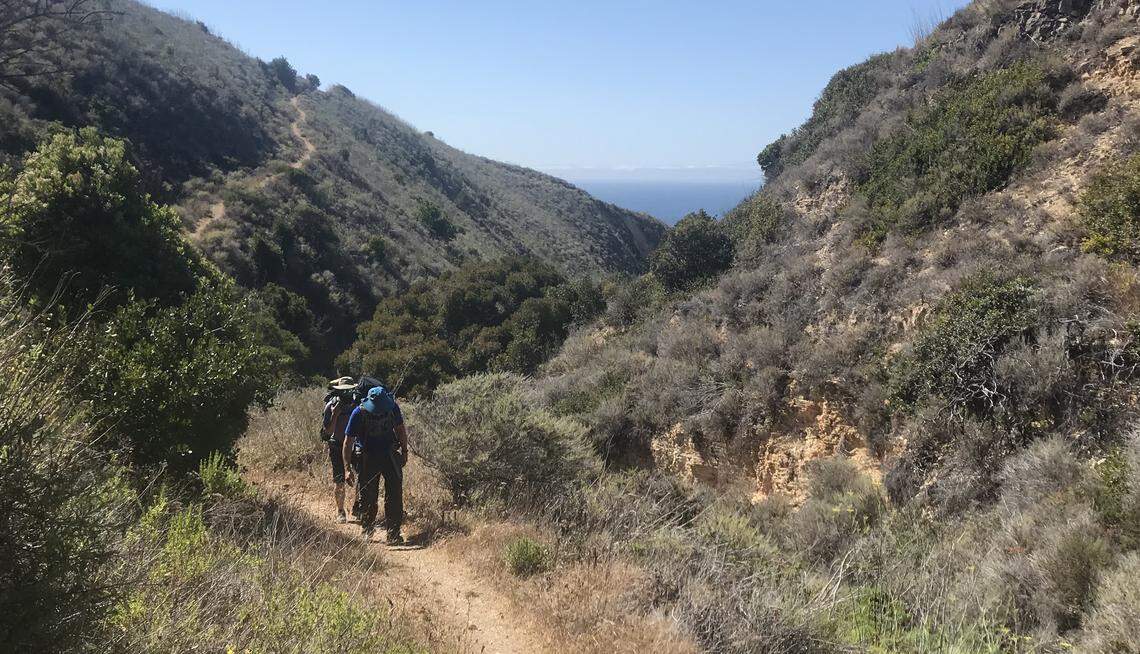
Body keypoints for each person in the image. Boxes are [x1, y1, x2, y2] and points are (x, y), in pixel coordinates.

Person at [344, 385, 409, 544]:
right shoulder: (358, 413)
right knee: (368, 495)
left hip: (389, 454)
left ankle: (393, 533)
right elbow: (348, 442)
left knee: (394, 494)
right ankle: (367, 529)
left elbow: (400, 430)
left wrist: (405, 451)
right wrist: (347, 469)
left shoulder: (392, 408)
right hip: (368, 456)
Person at [320, 377, 357, 523]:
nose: (346, 393)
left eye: (349, 390)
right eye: (344, 391)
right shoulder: (331, 405)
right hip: (337, 445)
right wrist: (335, 414)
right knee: (339, 480)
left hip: (355, 446)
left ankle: (358, 507)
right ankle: (340, 511)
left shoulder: (357, 405)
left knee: (360, 477)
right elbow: (328, 432)